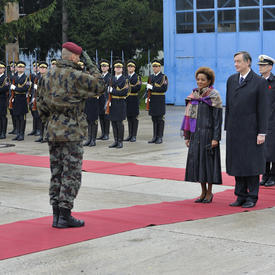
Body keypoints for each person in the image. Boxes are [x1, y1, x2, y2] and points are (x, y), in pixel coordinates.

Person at [37, 42, 104, 228]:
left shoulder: (47, 76)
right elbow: (100, 85)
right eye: (79, 57)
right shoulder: (76, 76)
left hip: (53, 129)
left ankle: (56, 215)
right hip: (72, 130)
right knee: (71, 173)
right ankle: (65, 215)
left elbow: (39, 105)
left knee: (56, 172)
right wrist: (90, 64)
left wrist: (50, 122)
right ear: (74, 57)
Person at [225, 51, 268, 208]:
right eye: (234, 61)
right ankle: (240, 195)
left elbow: (263, 109)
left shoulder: (259, 82)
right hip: (235, 130)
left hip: (251, 130)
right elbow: (228, 106)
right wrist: (227, 128)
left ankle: (252, 196)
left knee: (251, 165)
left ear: (248, 62)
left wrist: (262, 132)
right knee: (237, 164)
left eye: (238, 61)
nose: (236, 64)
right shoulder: (231, 80)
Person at [181, 67, 223, 203]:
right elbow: (188, 118)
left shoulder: (214, 96)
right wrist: (187, 136)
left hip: (208, 134)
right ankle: (202, 192)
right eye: (198, 79)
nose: (199, 82)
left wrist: (216, 138)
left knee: (208, 164)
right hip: (195, 135)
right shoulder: (193, 96)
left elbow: (217, 119)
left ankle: (210, 193)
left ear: (209, 81)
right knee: (197, 163)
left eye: (203, 80)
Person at [258, 55, 275, 187]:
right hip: (260, 120)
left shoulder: (274, 82)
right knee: (262, 148)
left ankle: (273, 175)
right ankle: (265, 174)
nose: (260, 67)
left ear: (270, 67)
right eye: (259, 65)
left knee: (272, 148)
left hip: (273, 120)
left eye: (263, 65)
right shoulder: (257, 82)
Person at [107, 60, 129, 149]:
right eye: (116, 67)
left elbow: (124, 92)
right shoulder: (111, 79)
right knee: (113, 122)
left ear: (122, 69)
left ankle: (120, 141)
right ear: (114, 69)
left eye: (119, 67)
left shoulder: (125, 79)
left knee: (119, 123)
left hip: (120, 102)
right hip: (112, 103)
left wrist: (113, 91)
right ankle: (115, 140)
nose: (117, 69)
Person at [146, 59, 168, 144]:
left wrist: (153, 88)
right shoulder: (151, 77)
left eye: (156, 66)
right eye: (153, 67)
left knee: (160, 119)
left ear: (160, 67)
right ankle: (154, 136)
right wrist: (147, 96)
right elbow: (148, 89)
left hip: (159, 99)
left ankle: (160, 137)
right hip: (152, 99)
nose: (155, 68)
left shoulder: (163, 77)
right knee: (154, 118)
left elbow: (164, 88)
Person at [10, 61, 30, 141]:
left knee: (22, 117)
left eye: (21, 67)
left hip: (22, 99)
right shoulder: (14, 77)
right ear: (16, 68)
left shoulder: (26, 78)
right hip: (16, 99)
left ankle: (22, 134)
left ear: (24, 68)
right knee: (16, 117)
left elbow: (25, 88)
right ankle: (18, 133)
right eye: (18, 67)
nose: (20, 68)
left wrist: (15, 88)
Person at [124, 59, 142, 142]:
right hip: (127, 99)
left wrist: (128, 88)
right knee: (129, 117)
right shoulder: (126, 77)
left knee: (134, 118)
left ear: (134, 68)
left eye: (131, 66)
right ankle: (130, 134)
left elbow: (137, 88)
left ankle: (134, 135)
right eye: (128, 66)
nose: (130, 68)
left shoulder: (137, 77)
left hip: (134, 99)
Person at [83, 61, 100, 147]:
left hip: (94, 101)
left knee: (94, 121)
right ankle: (89, 138)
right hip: (87, 101)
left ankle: (93, 139)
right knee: (88, 120)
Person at [34, 61, 48, 143]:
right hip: (39, 101)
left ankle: (46, 136)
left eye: (44, 68)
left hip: (46, 101)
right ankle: (41, 135)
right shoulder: (37, 77)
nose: (42, 69)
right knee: (40, 119)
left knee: (46, 120)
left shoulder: (49, 77)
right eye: (41, 68)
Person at [97, 59, 111, 140]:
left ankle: (106, 133)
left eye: (105, 66)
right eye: (102, 66)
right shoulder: (100, 76)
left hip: (106, 98)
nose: (103, 68)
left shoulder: (109, 77)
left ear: (108, 67)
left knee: (106, 117)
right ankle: (103, 133)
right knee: (101, 116)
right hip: (99, 98)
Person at [28, 61, 41, 137]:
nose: (35, 68)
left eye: (37, 66)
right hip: (32, 96)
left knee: (38, 114)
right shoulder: (32, 76)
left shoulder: (40, 76)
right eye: (34, 66)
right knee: (33, 114)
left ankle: (39, 130)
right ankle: (34, 129)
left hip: (38, 97)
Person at [0, 62, 10, 139]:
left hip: (2, 99)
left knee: (3, 116)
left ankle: (3, 132)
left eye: (1, 68)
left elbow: (5, 88)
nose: (0, 69)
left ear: (4, 69)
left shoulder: (6, 78)